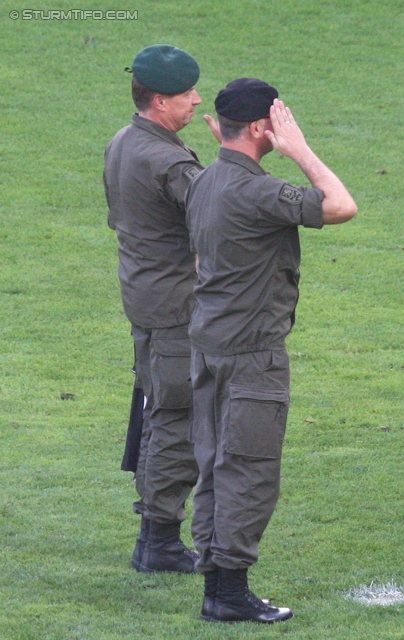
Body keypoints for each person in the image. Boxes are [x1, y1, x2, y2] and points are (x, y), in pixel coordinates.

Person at [185, 78, 357, 622]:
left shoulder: (205, 181)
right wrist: (300, 151)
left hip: (208, 345)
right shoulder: (256, 191)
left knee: (215, 464)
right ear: (262, 127)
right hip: (252, 355)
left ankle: (218, 586)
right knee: (249, 471)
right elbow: (340, 206)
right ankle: (229, 595)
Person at [103, 44, 204, 573]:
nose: (197, 101)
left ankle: (154, 540)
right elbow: (217, 220)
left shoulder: (123, 141)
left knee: (159, 409)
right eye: (188, 94)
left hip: (143, 297)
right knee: (177, 418)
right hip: (177, 308)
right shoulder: (168, 158)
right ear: (161, 100)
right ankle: (160, 541)